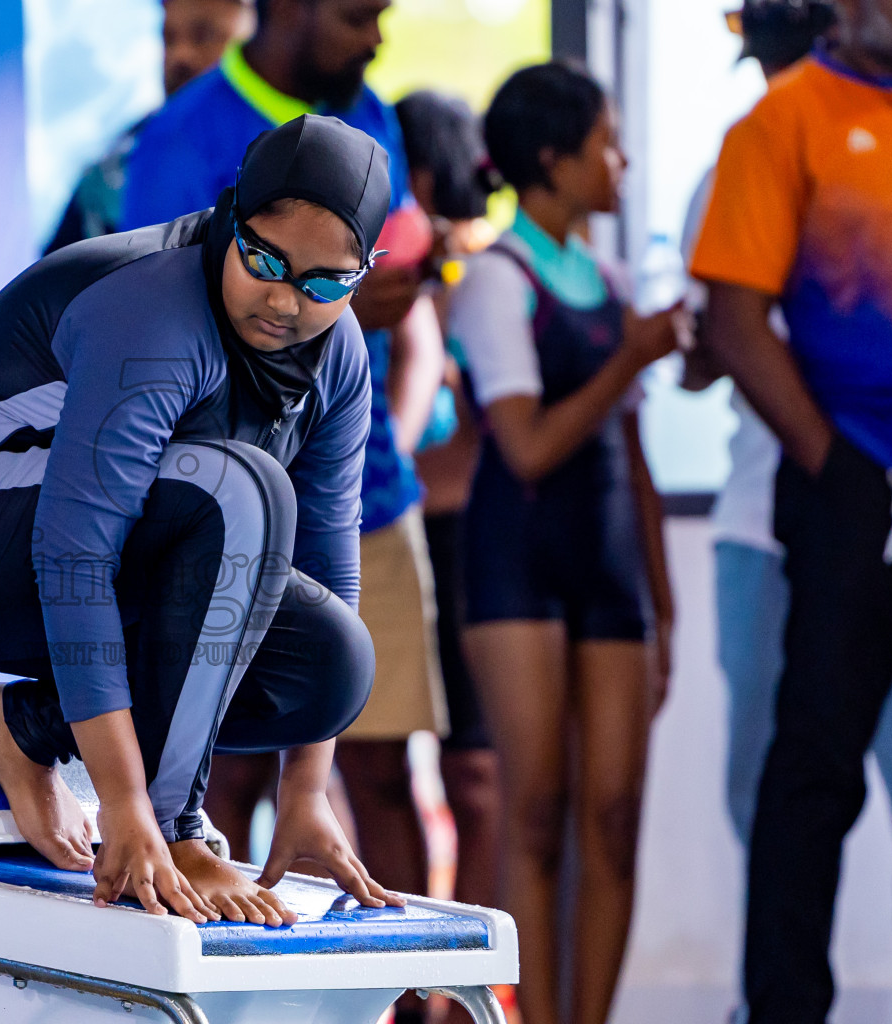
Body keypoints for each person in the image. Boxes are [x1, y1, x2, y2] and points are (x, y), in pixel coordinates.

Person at [0, 114, 407, 926]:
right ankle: (180, 825)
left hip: (77, 549)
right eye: (264, 261)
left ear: (362, 274)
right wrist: (135, 812)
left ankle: (23, 726)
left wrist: (306, 791)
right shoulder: (153, 314)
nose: (287, 302)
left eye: (325, 283)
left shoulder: (341, 356)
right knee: (240, 491)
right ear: (229, 219)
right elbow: (74, 550)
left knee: (332, 663)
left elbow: (328, 564)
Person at [118, 6, 449, 966]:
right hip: (214, 519)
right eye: (358, 15)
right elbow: (155, 331)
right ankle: (216, 986)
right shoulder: (182, 140)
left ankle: (414, 998)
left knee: (383, 775)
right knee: (213, 780)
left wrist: (371, 310)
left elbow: (397, 293)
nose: (376, 37)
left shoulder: (374, 117)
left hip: (367, 493)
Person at [691, 0, 892, 1018]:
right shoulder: (781, 123)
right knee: (811, 778)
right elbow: (733, 320)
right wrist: (835, 467)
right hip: (852, 497)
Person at [447, 63, 681, 1024]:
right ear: (554, 159)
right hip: (518, 565)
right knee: (535, 815)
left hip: (610, 563)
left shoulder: (614, 278)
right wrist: (631, 355)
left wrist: (663, 603)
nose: (620, 163)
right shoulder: (497, 280)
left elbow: (632, 452)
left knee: (616, 819)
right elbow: (529, 445)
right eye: (607, 144)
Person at [398, 88, 504, 1024]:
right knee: (382, 775)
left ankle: (460, 995)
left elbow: (483, 433)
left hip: (463, 535)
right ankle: (401, 989)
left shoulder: (470, 273)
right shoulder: (383, 275)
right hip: (399, 529)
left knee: (477, 776)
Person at [43, 0, 255, 254]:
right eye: (169, 38)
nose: (180, 56)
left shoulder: (295, 135)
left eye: (205, 35)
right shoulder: (124, 158)